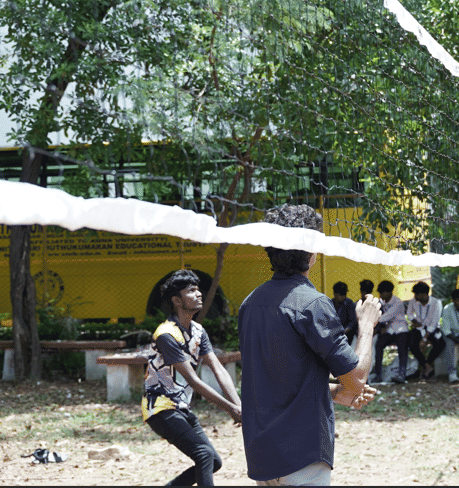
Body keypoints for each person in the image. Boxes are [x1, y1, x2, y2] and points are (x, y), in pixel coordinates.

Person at [239, 204, 381, 486]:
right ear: (312, 250)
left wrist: (333, 392)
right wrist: (366, 327)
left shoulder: (251, 303)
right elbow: (356, 380)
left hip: (263, 455)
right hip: (301, 452)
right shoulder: (311, 303)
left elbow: (275, 378)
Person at [142, 269, 242, 487]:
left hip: (180, 408)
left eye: (198, 290)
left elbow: (219, 369)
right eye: (191, 291)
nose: (198, 294)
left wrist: (239, 404)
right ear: (177, 300)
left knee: (212, 461)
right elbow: (194, 381)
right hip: (160, 408)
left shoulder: (198, 331)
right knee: (203, 454)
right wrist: (231, 409)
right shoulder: (167, 334)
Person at [372, 279, 410, 384]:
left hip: (400, 329)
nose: (380, 295)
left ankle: (402, 374)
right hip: (389, 330)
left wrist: (372, 319)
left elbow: (385, 317)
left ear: (389, 292)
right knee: (379, 345)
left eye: (382, 293)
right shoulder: (382, 301)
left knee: (402, 347)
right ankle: (378, 375)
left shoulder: (397, 302)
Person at [406, 281, 445, 381]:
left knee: (440, 344)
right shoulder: (413, 301)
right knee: (412, 344)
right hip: (419, 328)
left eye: (417, 294)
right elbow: (409, 313)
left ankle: (426, 364)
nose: (415, 296)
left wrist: (424, 339)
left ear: (424, 294)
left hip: (431, 329)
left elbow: (433, 324)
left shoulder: (436, 303)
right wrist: (415, 321)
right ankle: (427, 367)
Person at [331, 281, 359, 346]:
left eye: (344, 294)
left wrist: (343, 332)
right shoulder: (330, 304)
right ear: (335, 294)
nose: (343, 297)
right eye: (341, 295)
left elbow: (352, 322)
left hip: (347, 334)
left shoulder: (349, 303)